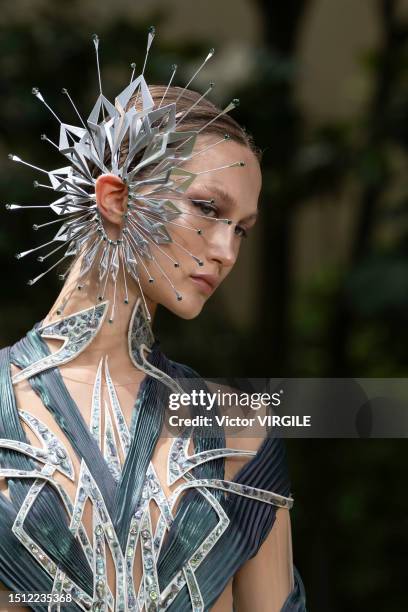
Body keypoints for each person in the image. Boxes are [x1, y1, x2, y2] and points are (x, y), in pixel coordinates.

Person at [0, 34, 307, 611]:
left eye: (241, 228)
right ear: (115, 197)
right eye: (209, 209)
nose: (226, 251)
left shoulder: (241, 432)